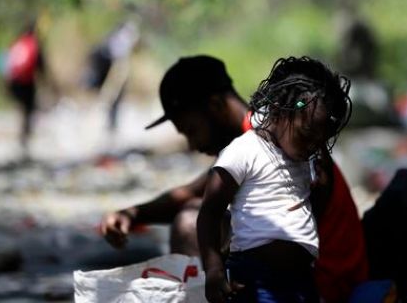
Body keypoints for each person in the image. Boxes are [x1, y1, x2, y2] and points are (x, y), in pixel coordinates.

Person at [100, 55, 368, 302]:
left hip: (327, 282)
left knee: (189, 223)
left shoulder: (288, 138)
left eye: (191, 130)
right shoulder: (272, 137)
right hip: (304, 276)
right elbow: (194, 192)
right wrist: (132, 214)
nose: (193, 145)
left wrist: (218, 263)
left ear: (215, 105)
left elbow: (197, 201)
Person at [197, 56, 353, 302]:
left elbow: (309, 214)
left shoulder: (302, 158)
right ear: (280, 108)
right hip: (257, 277)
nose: (311, 147)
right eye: (306, 135)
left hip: (301, 280)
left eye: (319, 142)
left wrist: (322, 188)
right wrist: (214, 268)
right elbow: (209, 211)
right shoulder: (246, 150)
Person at [1, 21, 52, 155]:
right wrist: (48, 83)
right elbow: (41, 67)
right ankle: (24, 141)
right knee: (29, 110)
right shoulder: (34, 45)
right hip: (26, 82)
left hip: (14, 82)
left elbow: (5, 63)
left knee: (23, 109)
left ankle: (22, 140)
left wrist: (6, 85)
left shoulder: (17, 43)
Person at [83, 18, 140, 134]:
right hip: (111, 69)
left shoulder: (117, 38)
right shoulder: (121, 40)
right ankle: (109, 125)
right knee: (112, 98)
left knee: (112, 98)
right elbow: (118, 63)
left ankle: (110, 125)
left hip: (111, 69)